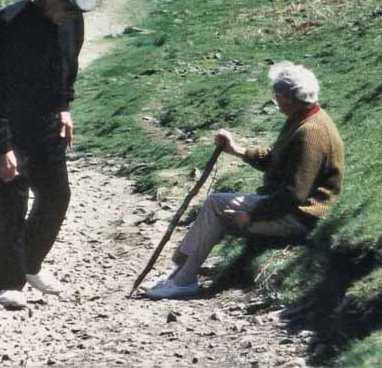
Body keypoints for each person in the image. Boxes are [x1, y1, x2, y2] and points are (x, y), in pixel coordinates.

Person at [146, 61, 344, 300]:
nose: (275, 101)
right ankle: (180, 273)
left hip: (300, 217)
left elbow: (294, 195)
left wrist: (252, 216)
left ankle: (185, 279)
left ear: (289, 99)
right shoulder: (303, 118)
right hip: (284, 206)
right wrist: (235, 150)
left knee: (220, 212)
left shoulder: (310, 134)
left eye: (277, 96)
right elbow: (276, 158)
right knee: (215, 202)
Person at [0, 0, 96, 309]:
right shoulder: (9, 23)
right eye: (67, 8)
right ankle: (5, 284)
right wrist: (2, 147)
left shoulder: (71, 21)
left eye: (76, 11)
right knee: (11, 206)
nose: (71, 16)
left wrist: (65, 107)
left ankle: (29, 265)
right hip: (7, 124)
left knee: (57, 196)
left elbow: (66, 68)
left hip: (47, 123)